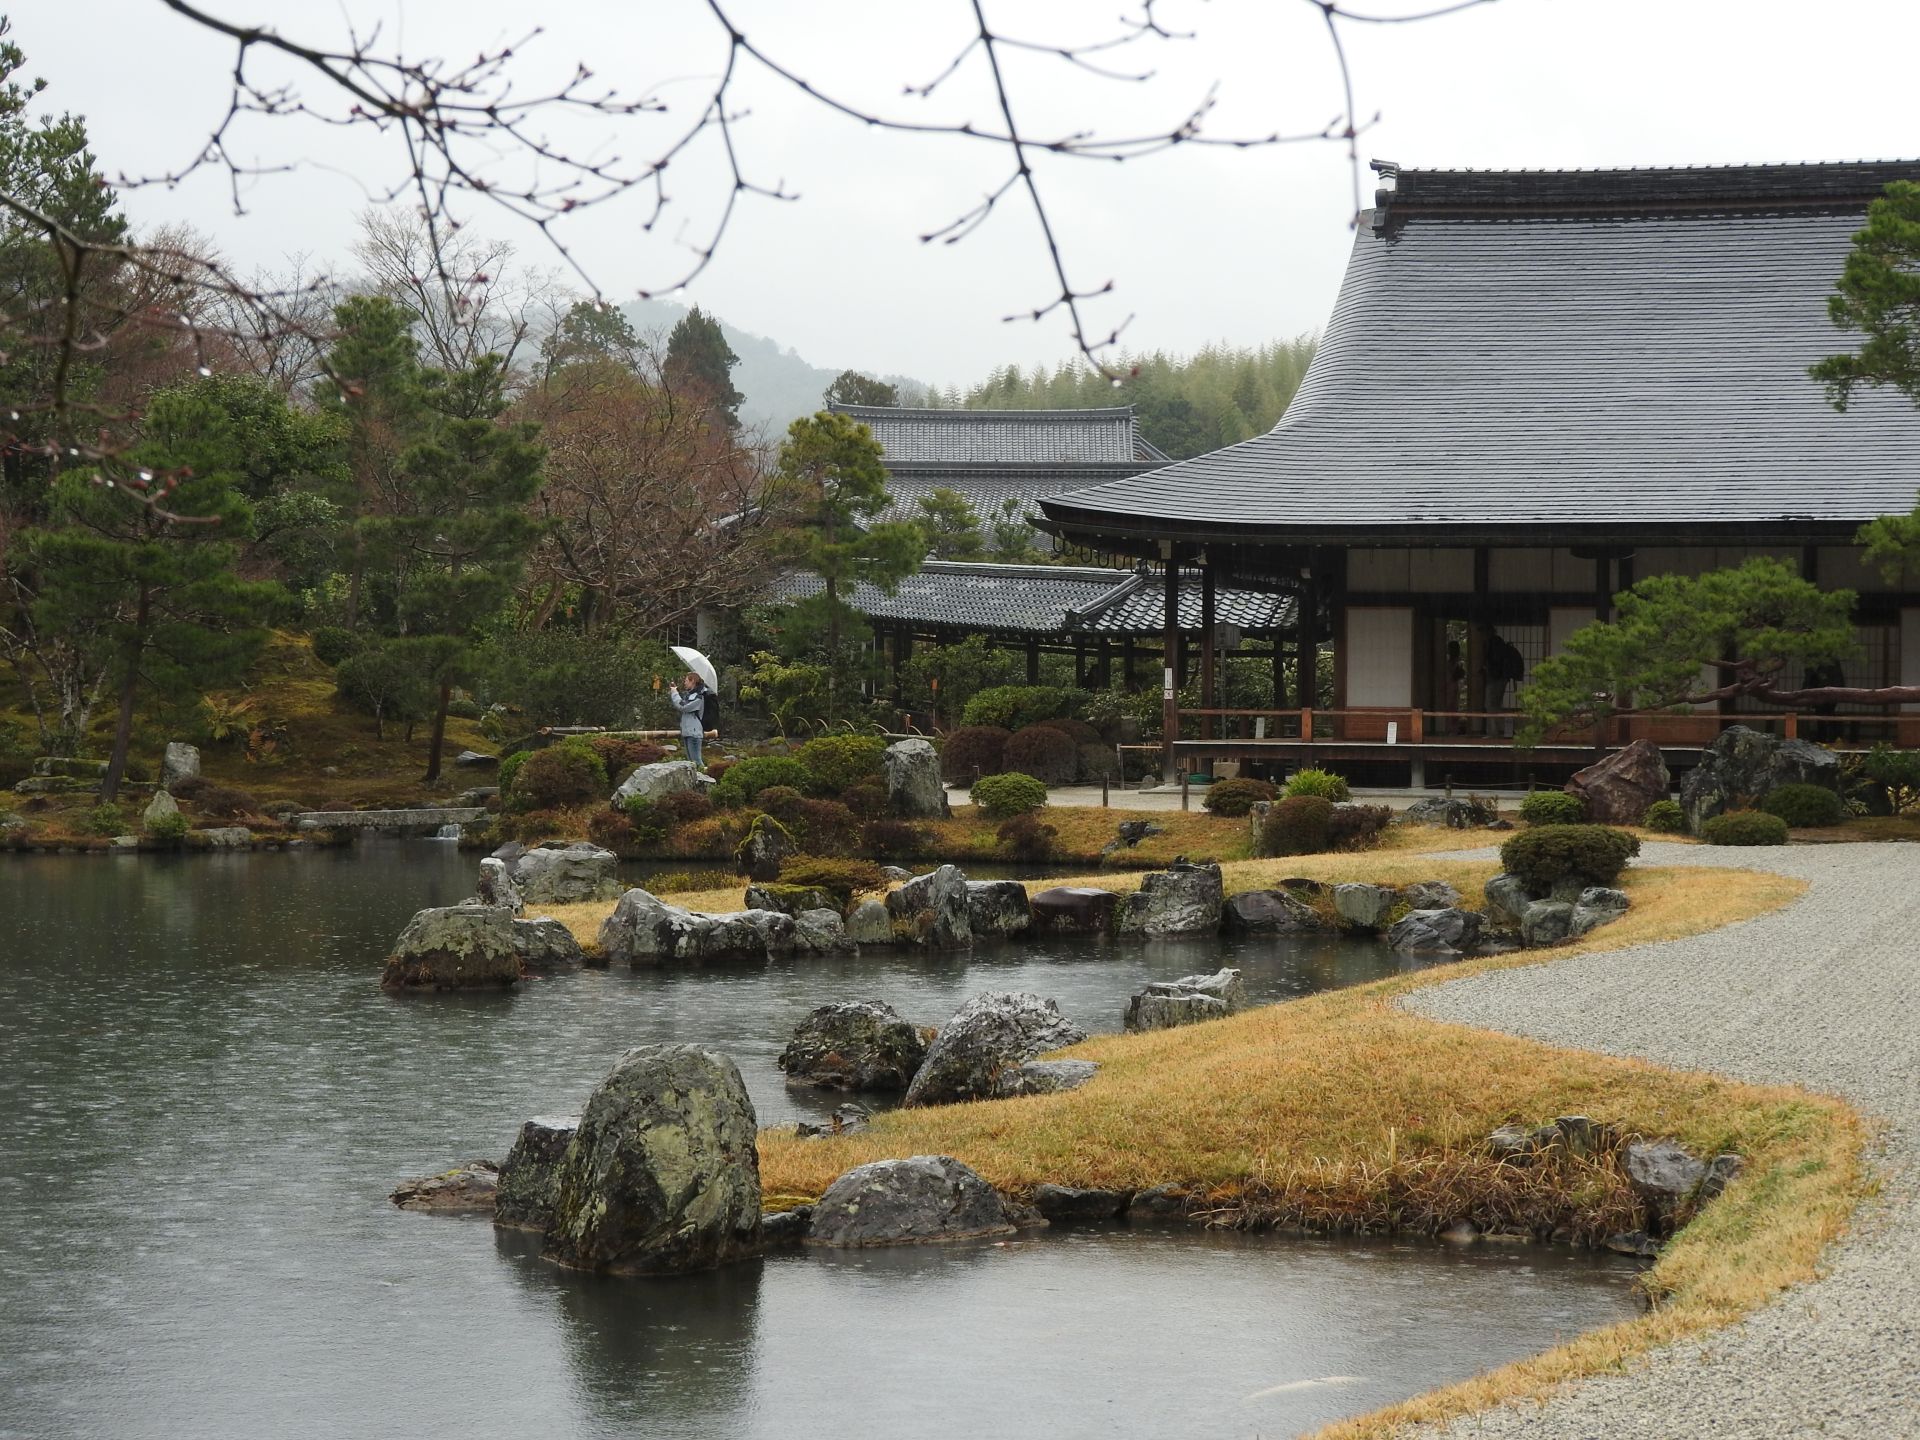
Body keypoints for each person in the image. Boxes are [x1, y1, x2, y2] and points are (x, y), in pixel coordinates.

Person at [669, 672, 709, 769]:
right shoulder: (691, 695)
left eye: (686, 680)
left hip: (694, 733)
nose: (684, 683)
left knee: (696, 762)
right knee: (691, 762)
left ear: (693, 681)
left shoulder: (699, 697)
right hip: (688, 732)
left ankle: (706, 780)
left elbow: (683, 706)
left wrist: (674, 693)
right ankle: (696, 782)